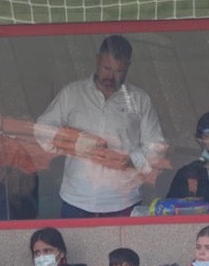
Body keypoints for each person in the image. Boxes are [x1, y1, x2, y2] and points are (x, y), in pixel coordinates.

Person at [34, 34, 166, 217]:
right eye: (106, 68)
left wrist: (131, 161)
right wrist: (74, 141)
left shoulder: (139, 99)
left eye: (119, 71)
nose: (111, 76)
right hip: (76, 197)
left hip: (122, 200)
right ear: (97, 60)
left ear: (128, 66)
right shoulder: (72, 93)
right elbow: (42, 129)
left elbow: (156, 146)